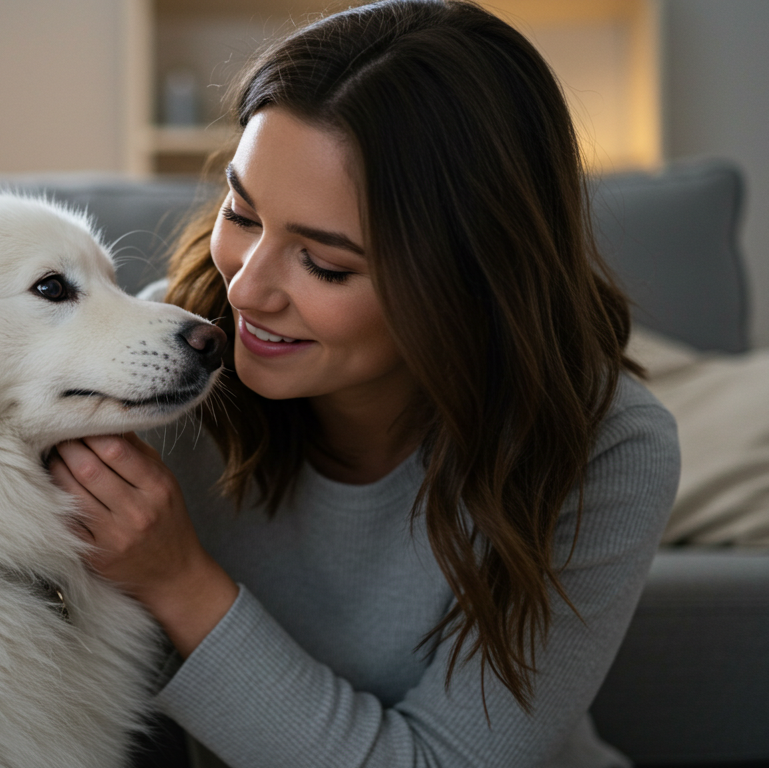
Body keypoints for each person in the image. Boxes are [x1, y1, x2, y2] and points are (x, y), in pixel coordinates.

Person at [48, 1, 680, 766]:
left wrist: (179, 582)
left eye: (326, 264)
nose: (247, 290)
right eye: (242, 212)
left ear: (470, 281)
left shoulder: (607, 445)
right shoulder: (165, 368)